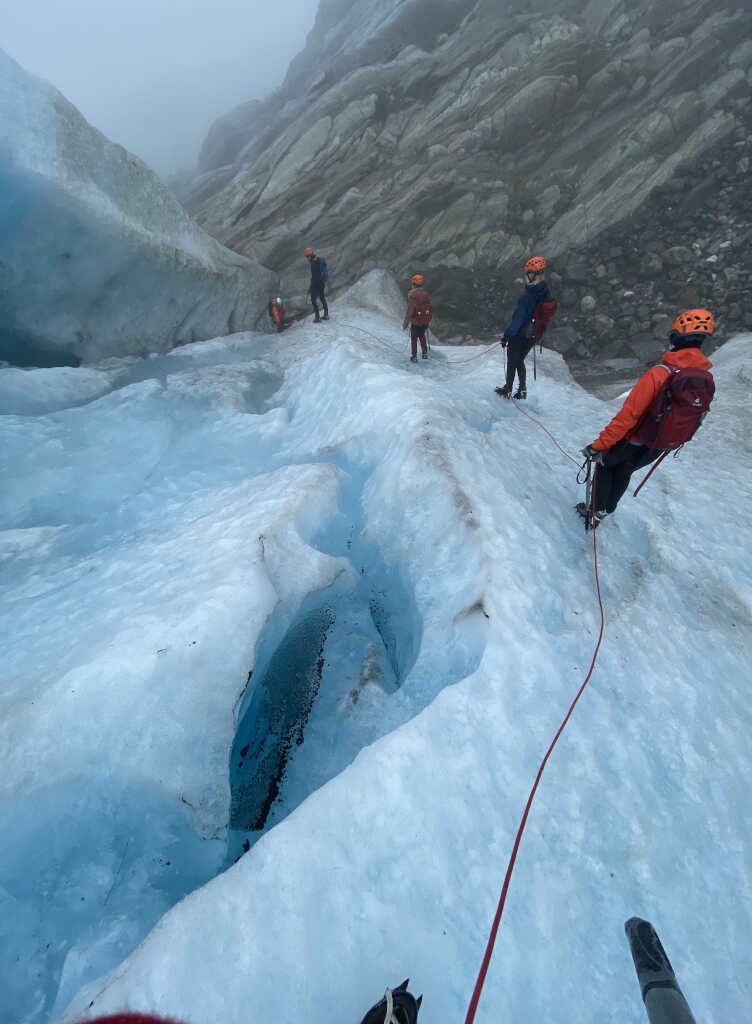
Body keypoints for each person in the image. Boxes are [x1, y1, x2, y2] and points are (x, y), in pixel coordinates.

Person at [578, 308, 715, 528]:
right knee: (626, 469)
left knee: (605, 464)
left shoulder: (660, 373)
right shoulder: (704, 379)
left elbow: (628, 417)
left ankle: (594, 512)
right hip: (659, 444)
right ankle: (606, 510)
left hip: (635, 439)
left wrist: (599, 446)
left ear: (675, 338)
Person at [497, 255, 552, 399]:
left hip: (520, 335)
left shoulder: (527, 297)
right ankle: (522, 389)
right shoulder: (545, 292)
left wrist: (506, 337)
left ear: (534, 275)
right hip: (533, 336)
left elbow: (517, 321)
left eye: (528, 273)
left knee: (512, 360)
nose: (526, 277)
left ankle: (508, 388)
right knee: (519, 360)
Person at [402, 273, 432, 362]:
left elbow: (410, 311)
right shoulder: (426, 294)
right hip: (424, 320)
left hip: (415, 321)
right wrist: (427, 320)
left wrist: (405, 324)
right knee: (422, 336)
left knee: (414, 339)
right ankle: (424, 353)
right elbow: (429, 308)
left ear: (413, 284)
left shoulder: (413, 296)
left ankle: (414, 357)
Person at [304, 246, 329, 322]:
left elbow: (315, 276)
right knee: (322, 298)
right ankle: (326, 315)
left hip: (316, 283)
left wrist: (311, 287)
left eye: (307, 257)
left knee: (313, 300)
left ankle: (317, 317)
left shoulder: (315, 262)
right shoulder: (316, 260)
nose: (307, 258)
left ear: (310, 255)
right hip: (320, 283)